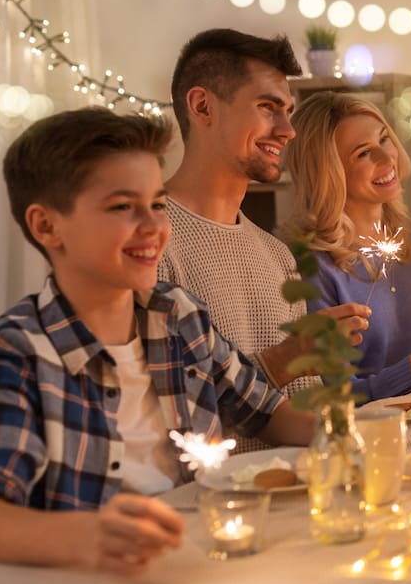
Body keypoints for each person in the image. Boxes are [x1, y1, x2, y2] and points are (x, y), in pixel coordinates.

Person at [0, 108, 315, 574]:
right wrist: (89, 535)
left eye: (158, 204)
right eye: (122, 207)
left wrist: (348, 439)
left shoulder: (177, 314)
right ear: (46, 226)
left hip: (199, 563)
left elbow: (267, 413)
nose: (153, 227)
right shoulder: (13, 357)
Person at [158, 30, 370, 445]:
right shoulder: (149, 246)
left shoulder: (277, 255)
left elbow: (290, 410)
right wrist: (287, 357)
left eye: (287, 110)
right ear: (202, 106)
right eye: (268, 107)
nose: (287, 129)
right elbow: (166, 414)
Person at [281, 92, 411, 400]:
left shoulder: (410, 246)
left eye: (384, 140)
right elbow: (330, 393)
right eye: (363, 153)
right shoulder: (311, 266)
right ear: (329, 175)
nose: (386, 158)